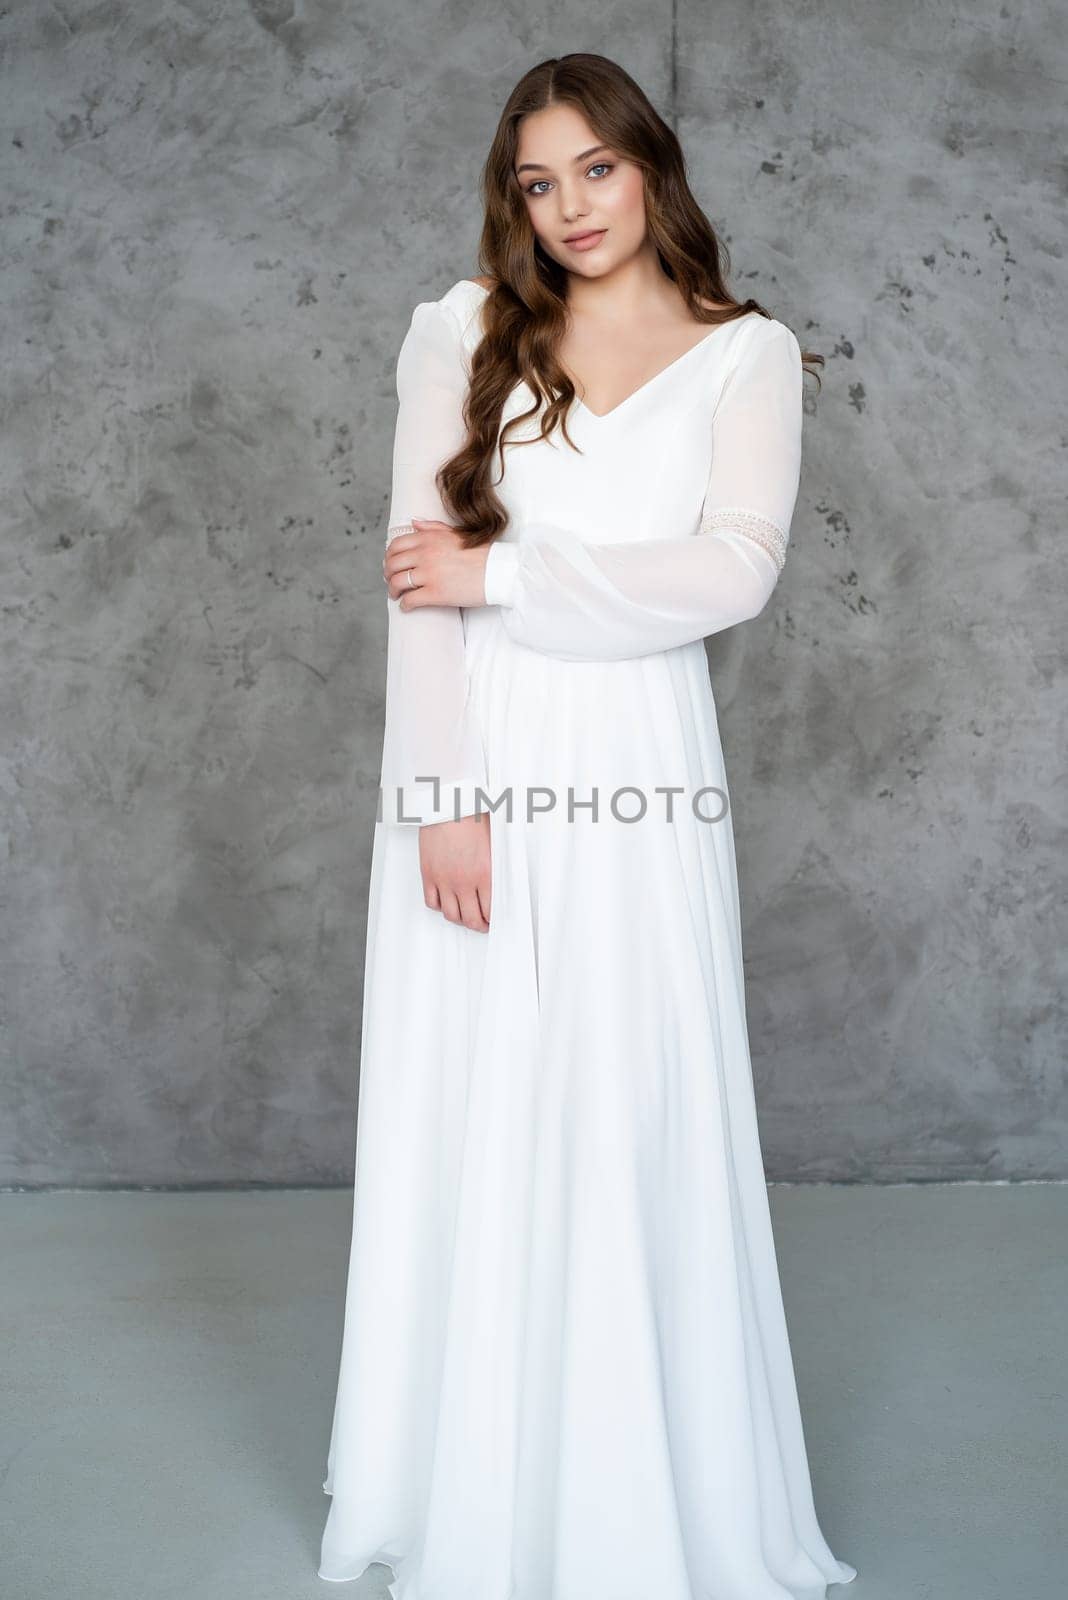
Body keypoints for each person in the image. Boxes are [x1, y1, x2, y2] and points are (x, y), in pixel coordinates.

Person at [319, 51, 857, 1600]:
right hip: (478, 760)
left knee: (630, 1107)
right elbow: (417, 589)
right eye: (538, 183)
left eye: (596, 172)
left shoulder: (746, 355)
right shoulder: (463, 331)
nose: (569, 209)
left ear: (651, 166)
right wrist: (440, 802)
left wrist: (514, 578)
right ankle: (468, 1492)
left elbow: (733, 572)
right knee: (477, 1116)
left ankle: (636, 1506)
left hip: (641, 773)